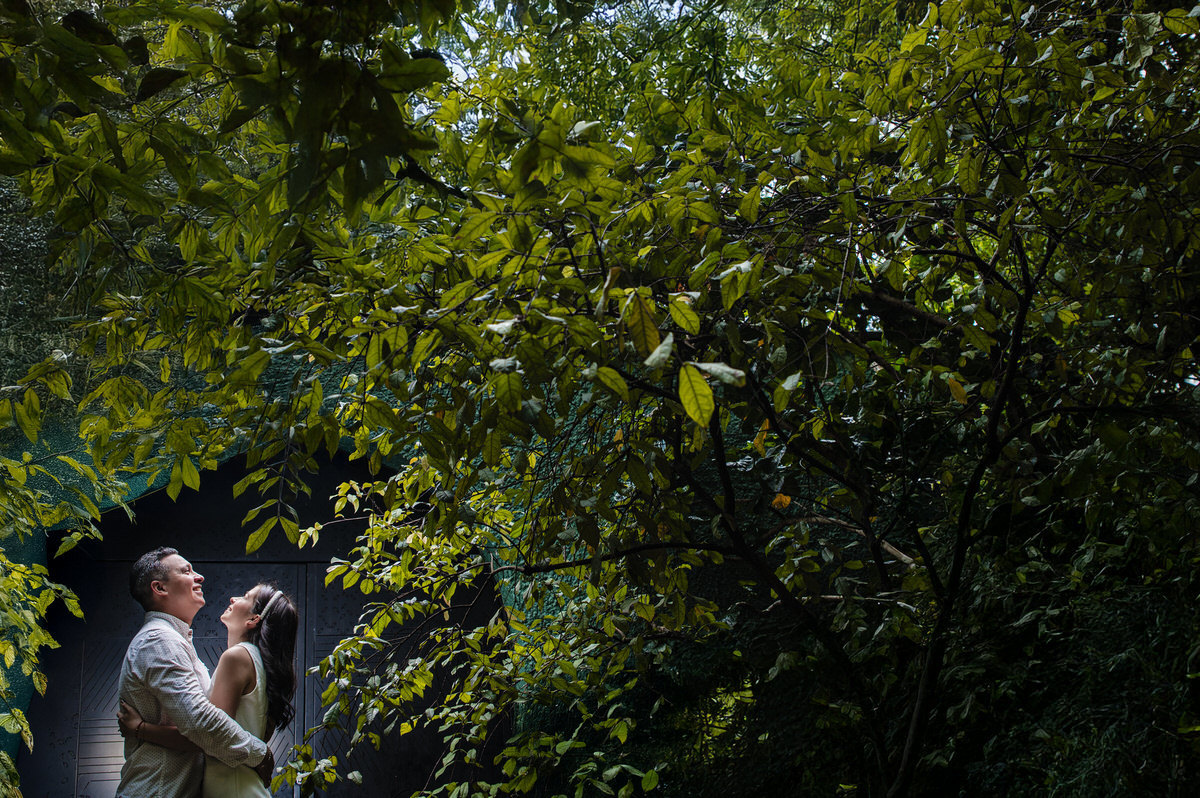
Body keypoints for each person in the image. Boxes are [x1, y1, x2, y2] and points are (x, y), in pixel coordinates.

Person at [116, 547, 275, 797]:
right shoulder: (159, 641)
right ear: (160, 588)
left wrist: (141, 728)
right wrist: (259, 754)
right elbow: (200, 723)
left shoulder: (176, 641)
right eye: (186, 571)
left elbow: (198, 729)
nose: (199, 576)